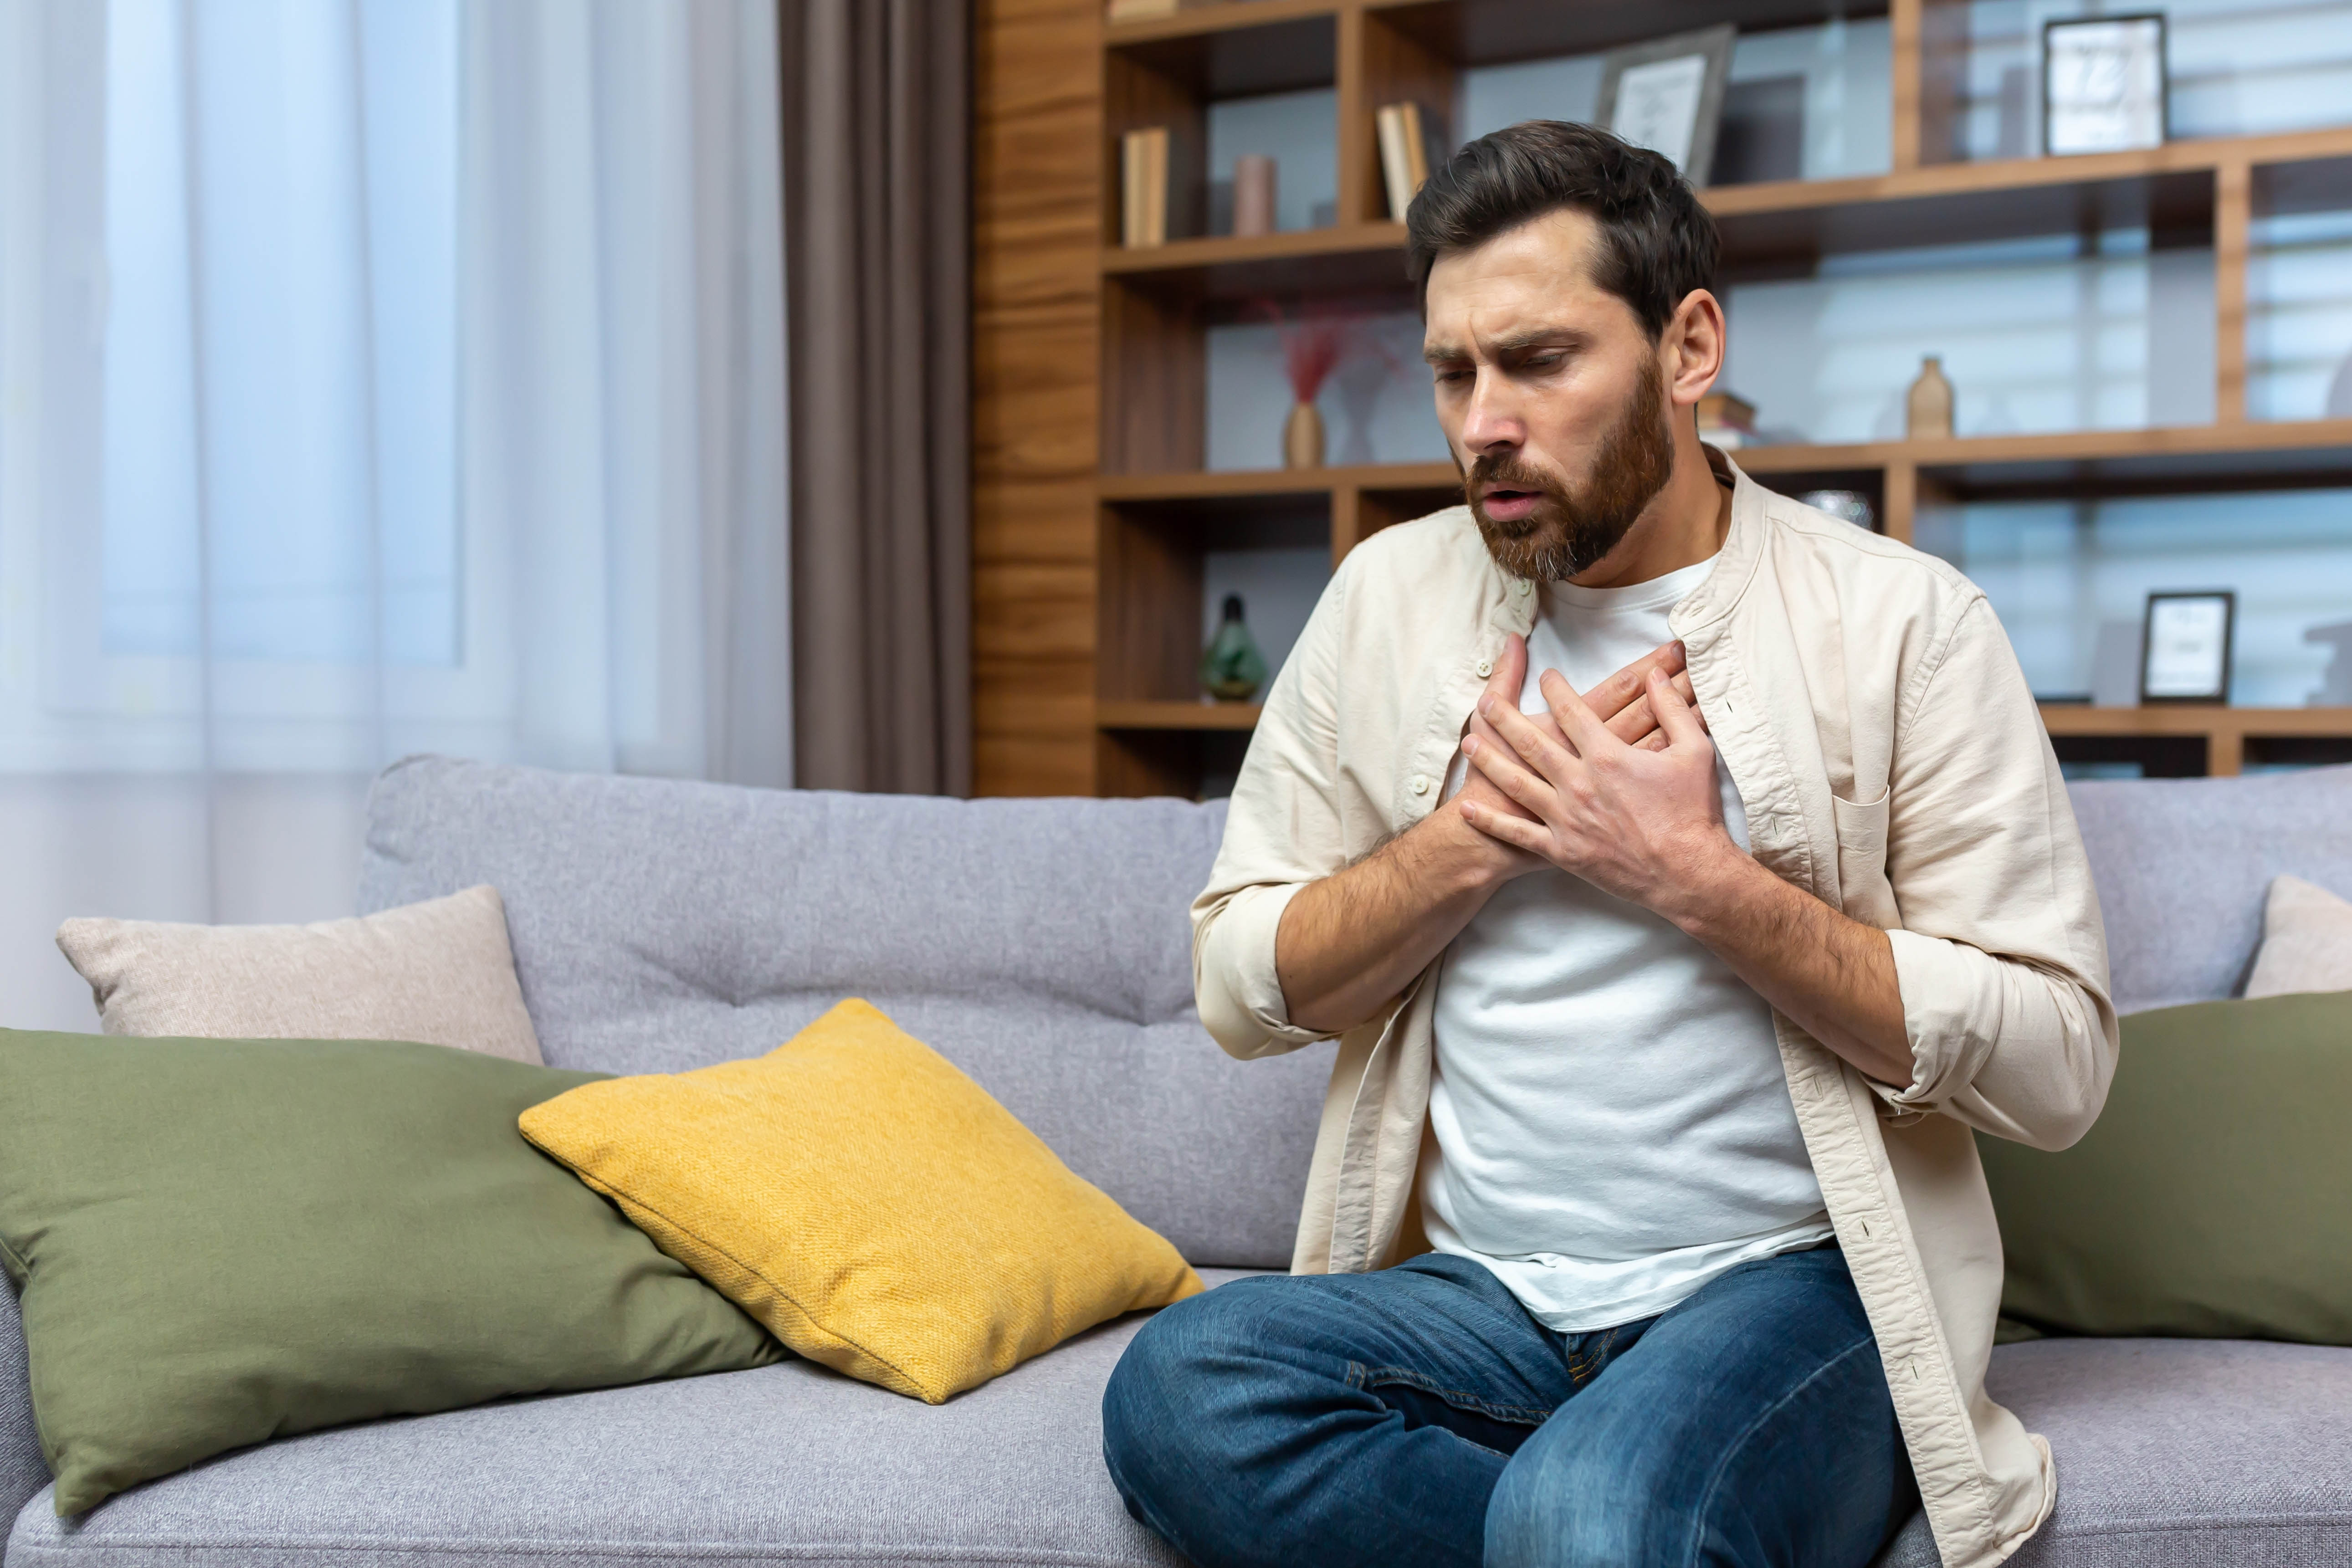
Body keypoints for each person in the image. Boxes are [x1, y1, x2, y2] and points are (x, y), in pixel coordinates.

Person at [1099, 121, 2117, 1568]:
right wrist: (1478, 838)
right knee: (1181, 1388)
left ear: (1686, 345)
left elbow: (2059, 1062)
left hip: (1786, 1288)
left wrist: (1696, 880)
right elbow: (1237, 983)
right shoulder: (1383, 601)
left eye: (1537, 360)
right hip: (1476, 1300)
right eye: (1453, 371)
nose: (1479, 423)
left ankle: (1592, 1520)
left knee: (1591, 1513)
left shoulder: (1903, 622)